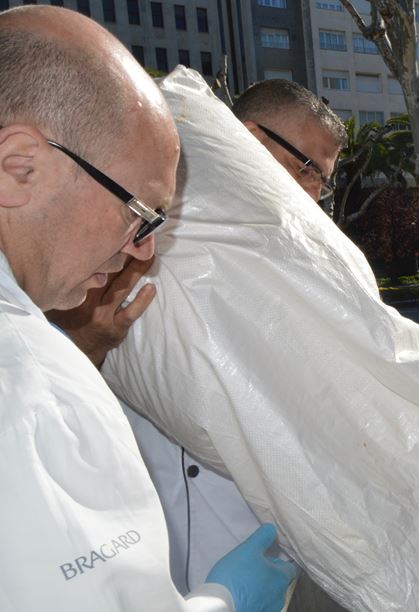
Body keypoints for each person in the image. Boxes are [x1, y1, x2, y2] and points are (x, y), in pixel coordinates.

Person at [0, 7, 294, 610]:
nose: (145, 249)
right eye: (139, 212)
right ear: (19, 167)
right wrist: (225, 602)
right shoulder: (28, 384)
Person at [49, 78, 347, 593]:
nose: (314, 193)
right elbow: (38, 406)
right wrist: (91, 342)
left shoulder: (311, 277)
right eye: (306, 168)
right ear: (250, 138)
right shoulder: (115, 237)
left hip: (250, 551)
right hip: (128, 563)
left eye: (324, 180)